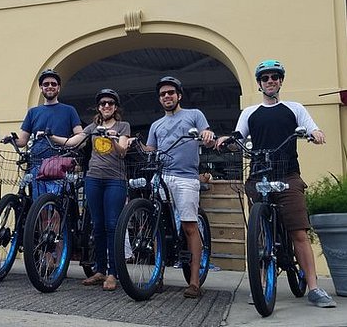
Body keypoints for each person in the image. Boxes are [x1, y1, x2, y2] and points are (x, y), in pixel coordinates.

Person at [216, 59, 336, 308]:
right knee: (258, 235)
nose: (270, 81)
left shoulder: (294, 108)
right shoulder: (250, 112)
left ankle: (314, 287)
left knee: (298, 232)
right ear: (259, 84)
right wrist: (228, 139)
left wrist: (315, 133)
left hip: (287, 175)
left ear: (281, 80)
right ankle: (260, 286)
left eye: (275, 77)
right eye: (265, 78)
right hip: (259, 176)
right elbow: (239, 134)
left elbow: (312, 128)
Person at [49, 89, 130, 291]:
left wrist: (112, 137)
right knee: (97, 225)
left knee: (112, 225)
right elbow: (73, 141)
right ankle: (100, 270)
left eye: (110, 103)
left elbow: (122, 152)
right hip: (93, 179)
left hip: (115, 180)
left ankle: (113, 273)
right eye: (103, 103)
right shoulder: (93, 127)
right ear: (99, 107)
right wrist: (51, 136)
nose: (106, 106)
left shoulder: (123, 126)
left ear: (116, 107)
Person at [144, 76, 215, 298]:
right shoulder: (156, 125)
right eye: (163, 94)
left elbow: (209, 139)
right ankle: (158, 277)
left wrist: (207, 135)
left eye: (171, 93)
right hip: (161, 177)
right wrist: (133, 145)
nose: (167, 96)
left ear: (179, 95)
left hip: (186, 177)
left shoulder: (194, 115)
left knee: (189, 227)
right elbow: (150, 150)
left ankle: (194, 282)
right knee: (157, 228)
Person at [12, 69, 83, 199]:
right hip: (36, 162)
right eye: (46, 84)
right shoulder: (33, 112)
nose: (50, 86)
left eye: (53, 84)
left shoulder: (69, 110)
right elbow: (22, 140)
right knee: (38, 204)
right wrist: (11, 139)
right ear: (41, 87)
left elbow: (80, 135)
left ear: (59, 88)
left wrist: (57, 139)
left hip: (58, 163)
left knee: (55, 203)